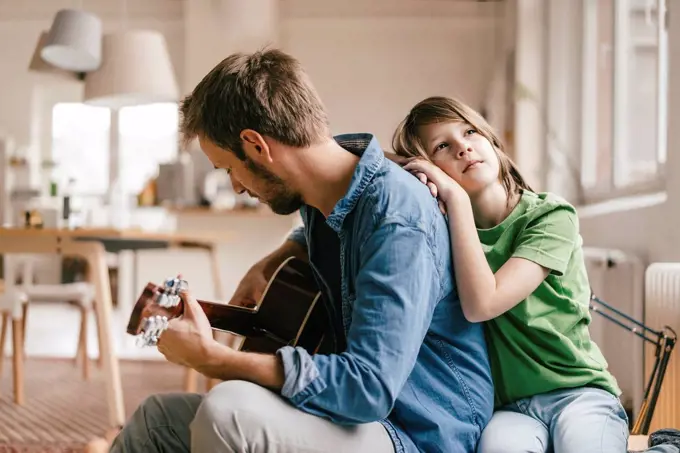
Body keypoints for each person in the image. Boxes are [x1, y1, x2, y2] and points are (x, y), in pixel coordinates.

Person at [93, 50, 494, 453]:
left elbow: (367, 388)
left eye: (228, 168)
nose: (234, 187)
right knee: (156, 418)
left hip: (417, 431)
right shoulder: (326, 194)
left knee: (229, 412)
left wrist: (214, 359)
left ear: (256, 145)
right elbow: (334, 234)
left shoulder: (398, 215)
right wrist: (275, 258)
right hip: (358, 419)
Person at [390, 95, 639, 453]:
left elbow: (483, 304)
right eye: (443, 145)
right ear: (429, 169)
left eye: (470, 132)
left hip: (579, 391)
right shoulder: (444, 232)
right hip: (509, 408)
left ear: (491, 140)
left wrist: (456, 200)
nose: (463, 148)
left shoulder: (550, 216)